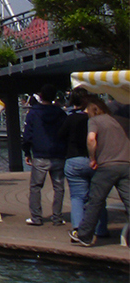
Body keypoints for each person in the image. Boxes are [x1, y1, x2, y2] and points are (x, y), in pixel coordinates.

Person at [70, 97, 130, 247]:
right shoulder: (121, 121)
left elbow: (91, 139)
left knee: (95, 201)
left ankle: (84, 235)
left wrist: (92, 158)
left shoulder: (95, 121)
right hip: (126, 165)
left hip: (106, 167)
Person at [58, 89, 109, 237]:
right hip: (95, 161)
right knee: (98, 196)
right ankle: (101, 229)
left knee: (77, 197)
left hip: (74, 159)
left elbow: (60, 135)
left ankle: (78, 229)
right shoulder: (97, 119)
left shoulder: (71, 118)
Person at [22, 84, 67, 226]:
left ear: (40, 96)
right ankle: (57, 217)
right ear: (55, 97)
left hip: (40, 154)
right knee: (58, 187)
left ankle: (36, 217)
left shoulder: (33, 113)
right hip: (58, 153)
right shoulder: (60, 113)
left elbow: (28, 134)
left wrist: (27, 151)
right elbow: (65, 133)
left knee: (36, 187)